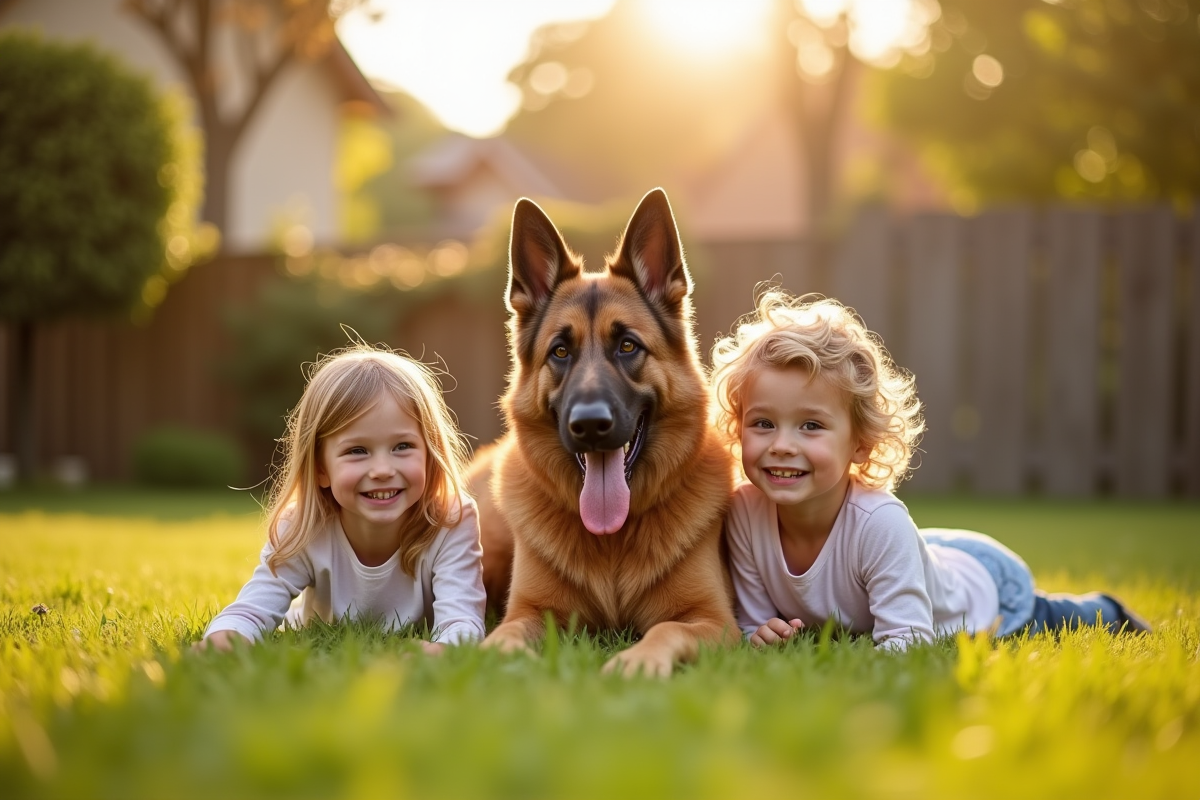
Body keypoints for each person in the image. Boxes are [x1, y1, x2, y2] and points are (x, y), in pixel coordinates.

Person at [710, 290, 1150, 651]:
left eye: (811, 426)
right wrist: (763, 635)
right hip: (917, 556)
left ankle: (1108, 609)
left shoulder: (878, 524)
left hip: (983, 593)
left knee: (1054, 620)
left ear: (860, 444)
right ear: (738, 426)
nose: (782, 446)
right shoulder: (744, 514)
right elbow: (751, 623)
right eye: (763, 423)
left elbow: (908, 640)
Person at [197, 344, 485, 654]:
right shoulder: (303, 526)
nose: (382, 470)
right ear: (321, 469)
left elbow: (463, 621)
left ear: (430, 455)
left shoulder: (452, 522)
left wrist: (442, 650)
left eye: (402, 446)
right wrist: (222, 640)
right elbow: (251, 609)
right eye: (357, 451)